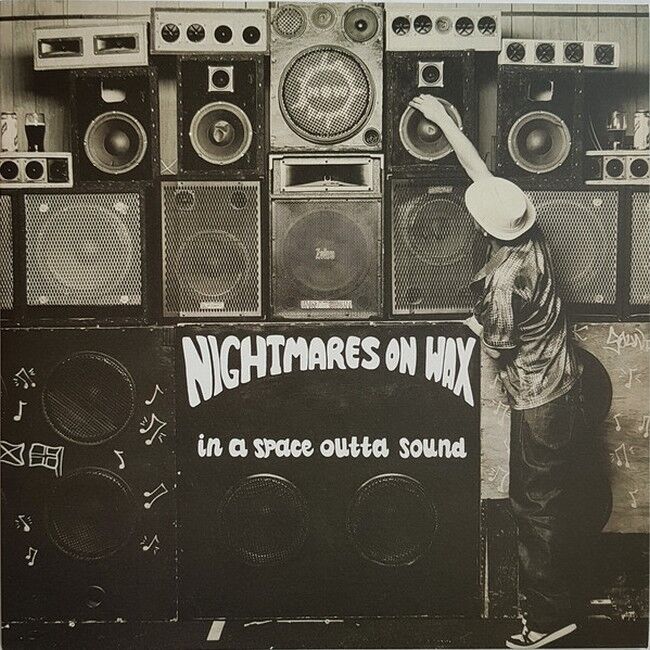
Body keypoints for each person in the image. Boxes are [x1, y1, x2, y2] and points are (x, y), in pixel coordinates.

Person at [409, 95, 590, 649]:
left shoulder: (504, 281)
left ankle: (548, 621)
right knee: (548, 501)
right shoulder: (528, 233)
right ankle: (551, 609)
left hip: (539, 402)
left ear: (485, 227)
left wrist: (475, 324)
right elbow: (483, 177)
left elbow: (499, 347)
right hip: (565, 382)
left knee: (535, 508)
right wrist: (446, 124)